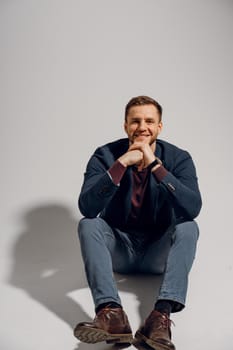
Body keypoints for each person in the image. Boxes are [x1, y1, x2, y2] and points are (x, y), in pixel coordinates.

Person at [74, 95, 202, 350]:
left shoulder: (179, 158)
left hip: (158, 250)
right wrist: (121, 164)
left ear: (159, 127)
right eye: (135, 121)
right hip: (119, 248)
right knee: (88, 224)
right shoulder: (105, 155)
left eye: (149, 121)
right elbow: (87, 208)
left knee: (189, 226)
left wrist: (155, 166)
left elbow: (193, 208)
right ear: (125, 126)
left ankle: (159, 318)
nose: (142, 127)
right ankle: (112, 315)